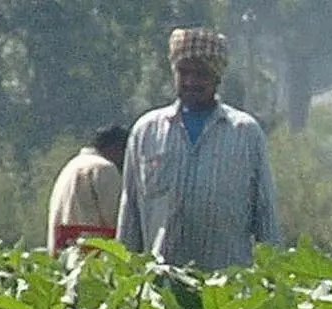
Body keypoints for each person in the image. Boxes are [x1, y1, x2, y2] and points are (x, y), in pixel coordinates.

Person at [117, 28, 282, 271]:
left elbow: (265, 214)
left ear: (217, 77)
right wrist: (123, 274)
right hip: (160, 283)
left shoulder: (245, 133)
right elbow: (130, 212)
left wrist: (273, 276)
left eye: (201, 74)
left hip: (225, 285)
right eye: (184, 72)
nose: (191, 82)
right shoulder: (146, 132)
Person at [48, 126, 128, 254]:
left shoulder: (70, 166)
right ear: (116, 147)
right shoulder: (104, 168)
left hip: (64, 253)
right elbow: (119, 220)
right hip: (92, 256)